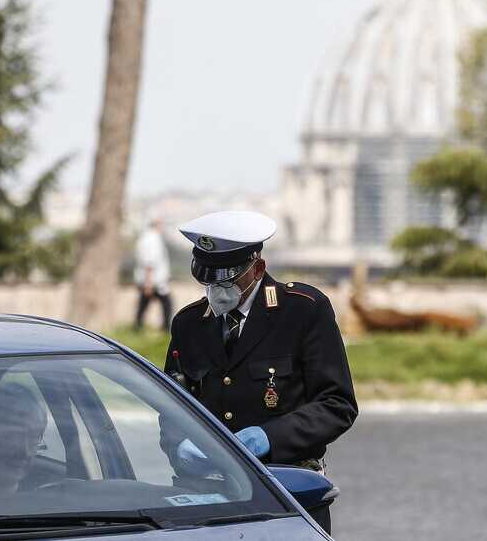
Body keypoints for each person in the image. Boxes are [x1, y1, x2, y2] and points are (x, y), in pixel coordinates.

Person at [161, 210, 357, 534]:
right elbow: (171, 406)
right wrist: (178, 447)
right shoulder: (189, 324)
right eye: (209, 279)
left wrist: (269, 437)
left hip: (285, 490)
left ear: (258, 268)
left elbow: (337, 405)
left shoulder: (302, 310)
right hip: (208, 496)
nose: (217, 289)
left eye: (227, 279)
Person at [133, 218, 173, 331]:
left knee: (143, 304)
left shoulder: (146, 237)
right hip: (154, 281)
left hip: (152, 280)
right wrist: (148, 283)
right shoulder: (152, 239)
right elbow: (149, 262)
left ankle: (137, 327)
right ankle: (165, 328)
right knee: (167, 304)